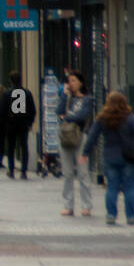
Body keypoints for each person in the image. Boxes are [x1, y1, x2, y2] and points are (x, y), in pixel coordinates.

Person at [80, 92, 134, 225]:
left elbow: (92, 136)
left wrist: (85, 153)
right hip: (129, 157)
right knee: (129, 187)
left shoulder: (102, 119)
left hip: (110, 157)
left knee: (112, 187)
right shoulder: (130, 118)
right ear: (124, 103)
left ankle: (111, 215)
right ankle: (131, 216)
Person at [57, 71, 95, 217]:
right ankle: (68, 205)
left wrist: (67, 117)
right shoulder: (67, 98)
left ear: (80, 82)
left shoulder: (87, 99)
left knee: (83, 172)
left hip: (80, 136)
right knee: (67, 173)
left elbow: (82, 115)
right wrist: (64, 96)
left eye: (73, 81)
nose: (70, 84)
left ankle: (86, 205)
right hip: (65, 137)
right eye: (69, 81)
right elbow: (58, 111)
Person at [0, 71, 37, 179]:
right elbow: (32, 109)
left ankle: (11, 170)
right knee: (24, 146)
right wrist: (30, 122)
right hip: (23, 123)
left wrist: (4, 122)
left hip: (11, 123)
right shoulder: (27, 93)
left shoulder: (7, 93)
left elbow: (2, 110)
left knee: (11, 147)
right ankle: (24, 171)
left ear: (11, 81)